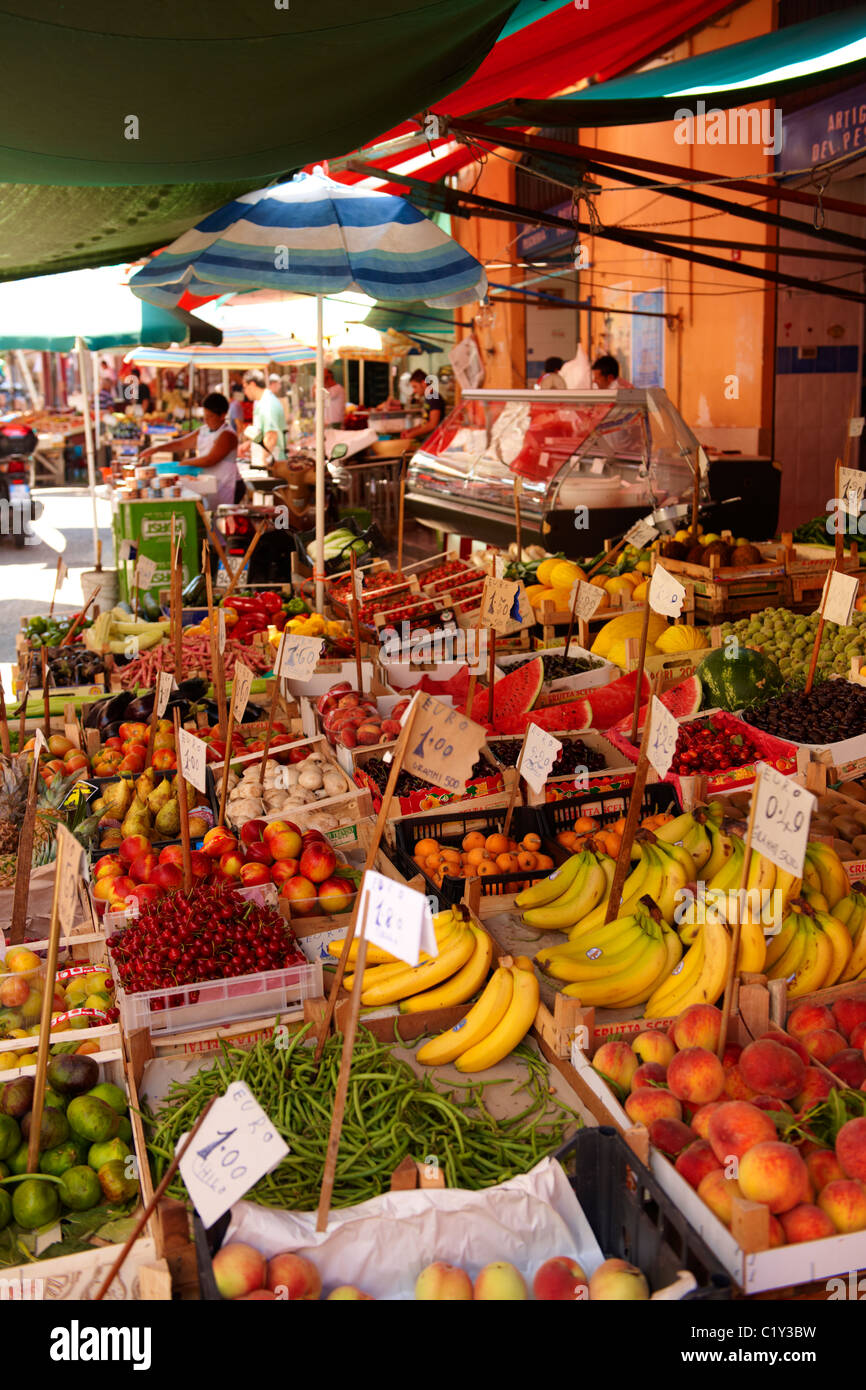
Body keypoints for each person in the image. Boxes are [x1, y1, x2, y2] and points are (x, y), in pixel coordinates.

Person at [138, 391, 242, 505]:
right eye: (205, 416)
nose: (206, 420)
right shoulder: (204, 430)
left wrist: (185, 463)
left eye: (210, 416)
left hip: (229, 484)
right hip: (210, 483)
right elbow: (181, 444)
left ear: (223, 415)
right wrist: (156, 449)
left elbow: (210, 460)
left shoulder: (227, 435)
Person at [240, 369, 286, 462]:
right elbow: (264, 433)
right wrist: (251, 443)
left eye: (245, 387)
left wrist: (263, 461)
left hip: (272, 462)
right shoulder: (263, 402)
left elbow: (271, 436)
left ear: (252, 384)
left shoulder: (267, 404)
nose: (244, 392)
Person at [400, 368, 445, 440]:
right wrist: (411, 430)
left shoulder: (434, 398)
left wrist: (412, 434)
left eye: (415, 387)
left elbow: (433, 424)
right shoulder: (428, 398)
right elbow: (426, 422)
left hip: (436, 440)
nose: (414, 391)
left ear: (423, 383)